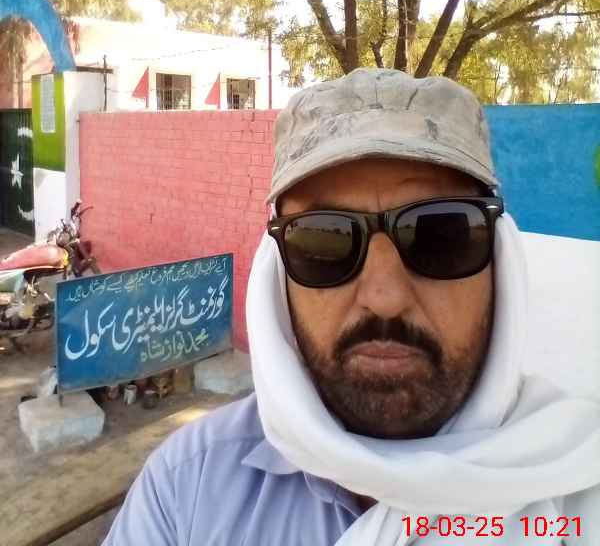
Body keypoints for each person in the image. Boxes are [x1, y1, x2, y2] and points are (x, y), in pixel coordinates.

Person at [103, 68, 600, 545]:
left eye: (440, 235)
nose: (384, 297)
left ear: (499, 264)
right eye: (324, 240)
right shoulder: (187, 489)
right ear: (279, 277)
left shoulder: (578, 484)